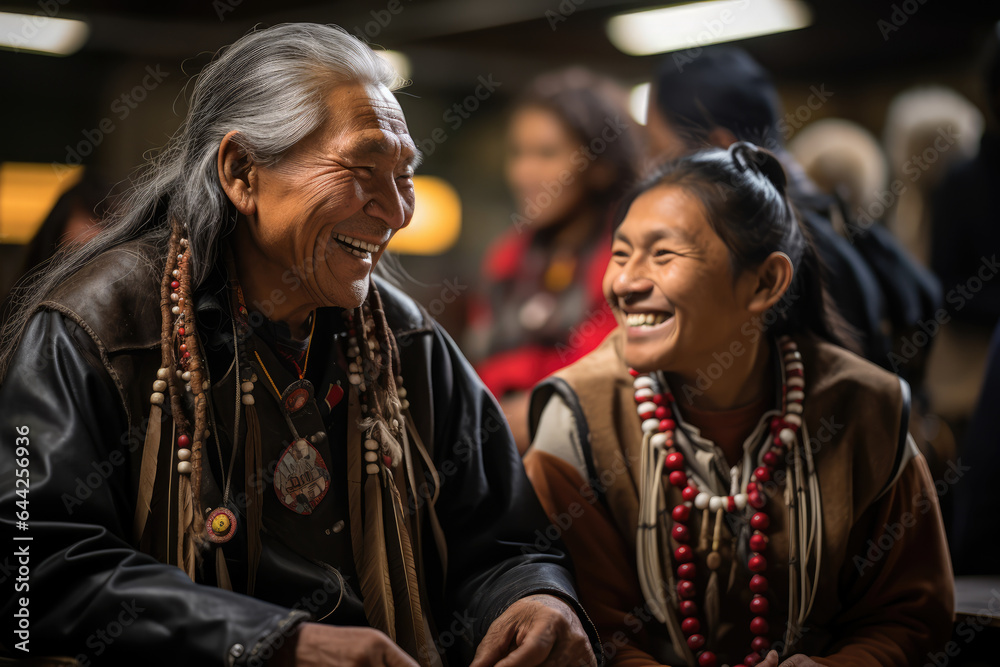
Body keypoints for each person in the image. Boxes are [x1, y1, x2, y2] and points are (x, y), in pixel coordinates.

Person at [0, 24, 599, 667]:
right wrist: (276, 643)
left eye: (404, 175)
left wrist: (534, 598)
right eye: (364, 169)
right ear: (241, 172)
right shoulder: (98, 329)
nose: (398, 211)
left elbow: (505, 543)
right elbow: (30, 572)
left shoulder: (406, 343)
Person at [523, 143, 953, 666]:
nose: (626, 283)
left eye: (663, 254)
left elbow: (911, 614)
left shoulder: (867, 411)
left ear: (766, 281)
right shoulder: (578, 421)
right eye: (620, 253)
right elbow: (592, 634)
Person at [645, 46, 940, 373]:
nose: (650, 171)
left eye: (659, 152)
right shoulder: (829, 220)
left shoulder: (774, 256)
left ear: (719, 148)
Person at [468, 68, 642, 452]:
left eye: (547, 154)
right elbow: (481, 372)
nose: (524, 172)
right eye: (518, 153)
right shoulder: (507, 257)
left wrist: (547, 410)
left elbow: (625, 372)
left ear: (601, 165)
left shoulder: (629, 253)